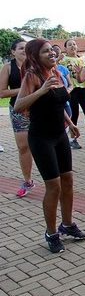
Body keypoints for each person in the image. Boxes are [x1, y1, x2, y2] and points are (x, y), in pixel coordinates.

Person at [14, 39, 85, 253]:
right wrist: (41, 90)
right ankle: (51, 232)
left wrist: (71, 123)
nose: (52, 54)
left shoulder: (55, 73)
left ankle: (67, 224)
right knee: (53, 186)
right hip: (41, 137)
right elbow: (18, 106)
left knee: (68, 180)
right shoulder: (32, 76)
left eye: (52, 51)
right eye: (46, 52)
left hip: (59, 135)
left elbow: (57, 103)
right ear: (35, 55)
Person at [0, 39, 35, 197]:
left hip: (38, 109)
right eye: (21, 48)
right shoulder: (8, 67)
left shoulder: (35, 65)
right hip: (18, 110)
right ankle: (28, 181)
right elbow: (2, 93)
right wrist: (23, 88)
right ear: (13, 51)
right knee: (23, 147)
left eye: (26, 48)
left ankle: (53, 178)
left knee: (44, 144)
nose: (24, 50)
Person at [60, 39, 85, 149]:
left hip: (84, 87)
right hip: (72, 89)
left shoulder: (84, 59)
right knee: (74, 113)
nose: (73, 46)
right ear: (65, 48)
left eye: (74, 44)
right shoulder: (63, 60)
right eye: (69, 45)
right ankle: (73, 139)